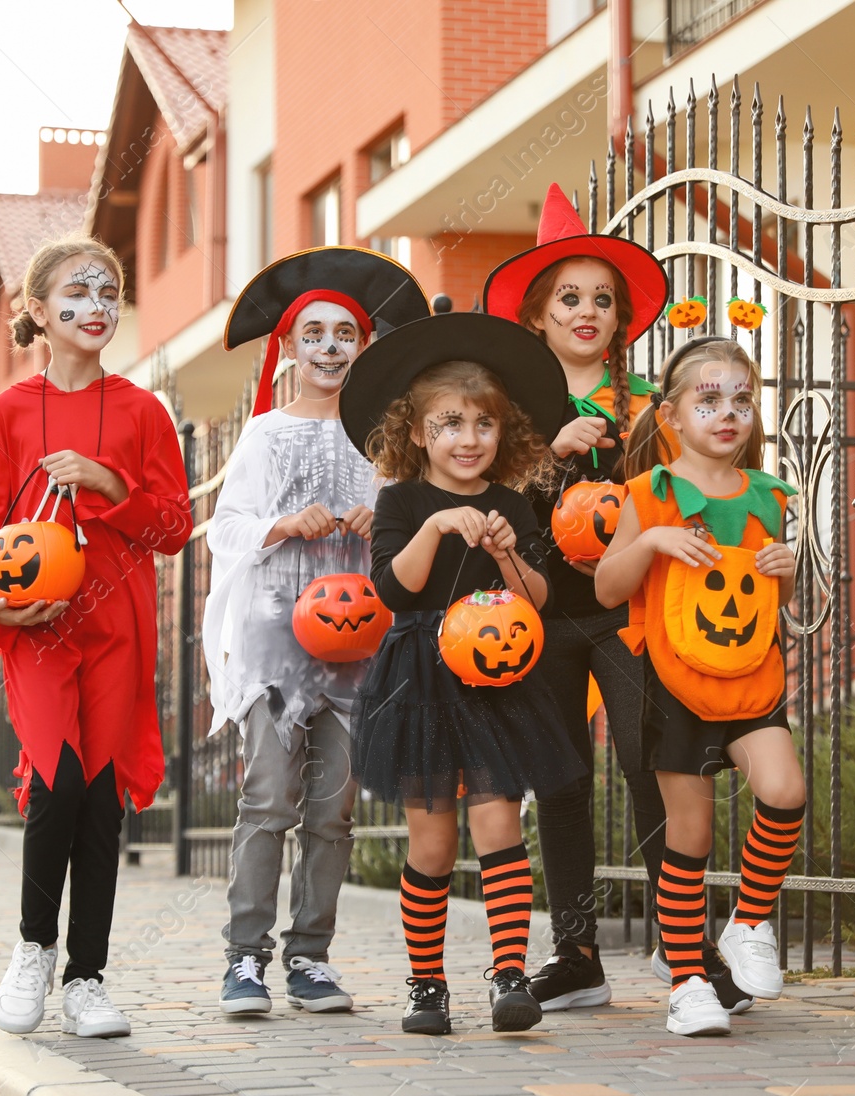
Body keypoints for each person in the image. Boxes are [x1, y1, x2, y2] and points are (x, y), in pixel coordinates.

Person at [484, 183, 751, 1013]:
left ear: (620, 317)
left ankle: (692, 952)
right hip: (540, 611)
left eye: (602, 298)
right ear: (538, 314)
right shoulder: (513, 411)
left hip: (631, 610)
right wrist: (548, 455)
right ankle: (577, 952)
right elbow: (495, 507)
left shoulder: (648, 410)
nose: (587, 311)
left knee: (653, 765)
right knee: (561, 778)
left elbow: (684, 493)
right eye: (569, 298)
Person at [0, 235, 190, 1039]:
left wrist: (110, 485)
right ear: (36, 311)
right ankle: (33, 948)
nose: (97, 306)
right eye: (78, 293)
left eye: (109, 292)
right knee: (54, 784)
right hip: (38, 630)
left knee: (100, 800)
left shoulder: (140, 410)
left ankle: (87, 977)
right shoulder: (7, 413)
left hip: (118, 626)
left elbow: (174, 526)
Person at [339, 312, 582, 1035]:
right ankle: (426, 984)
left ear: (502, 433)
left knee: (500, 822)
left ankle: (510, 974)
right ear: (418, 432)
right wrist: (438, 526)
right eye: (450, 422)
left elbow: (535, 601)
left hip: (498, 680)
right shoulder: (402, 501)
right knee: (434, 841)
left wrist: (509, 552)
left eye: (484, 423)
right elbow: (392, 589)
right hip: (420, 678)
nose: (468, 438)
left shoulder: (510, 504)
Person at [204, 247, 428, 1017]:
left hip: (353, 646)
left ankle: (311, 956)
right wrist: (279, 524)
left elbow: (411, 543)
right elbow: (223, 527)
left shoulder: (386, 445)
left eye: (345, 334)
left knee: (334, 809)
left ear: (363, 347)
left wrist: (383, 516)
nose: (330, 347)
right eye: (315, 333)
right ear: (292, 347)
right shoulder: (266, 435)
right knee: (269, 797)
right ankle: (245, 957)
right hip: (275, 642)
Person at [594, 336, 806, 1037]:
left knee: (784, 788)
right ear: (672, 417)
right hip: (673, 679)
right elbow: (606, 585)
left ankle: (748, 922)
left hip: (753, 673)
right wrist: (649, 544)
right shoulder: (646, 495)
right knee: (689, 831)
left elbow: (770, 596)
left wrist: (786, 566)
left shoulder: (770, 495)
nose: (728, 412)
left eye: (741, 399)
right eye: (708, 400)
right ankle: (687, 981)